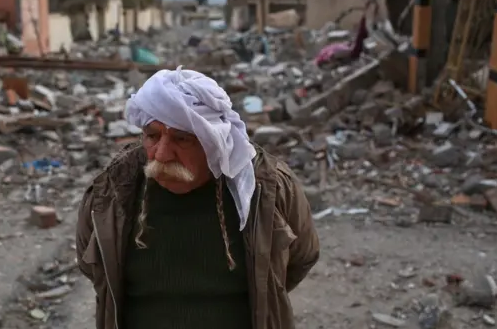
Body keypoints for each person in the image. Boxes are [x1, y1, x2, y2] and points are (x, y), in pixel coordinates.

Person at [76, 67, 320, 329]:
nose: (161, 154)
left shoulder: (269, 188)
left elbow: (300, 258)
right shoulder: (112, 190)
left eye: (182, 139)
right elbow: (95, 267)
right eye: (152, 136)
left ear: (214, 140)